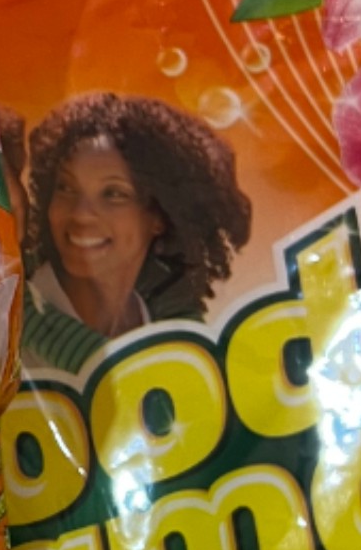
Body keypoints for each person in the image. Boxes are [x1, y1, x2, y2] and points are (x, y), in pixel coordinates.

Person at [20, 92, 251, 376]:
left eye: (114, 194)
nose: (80, 214)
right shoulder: (1, 325)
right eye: (66, 188)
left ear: (159, 217)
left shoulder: (163, 331)